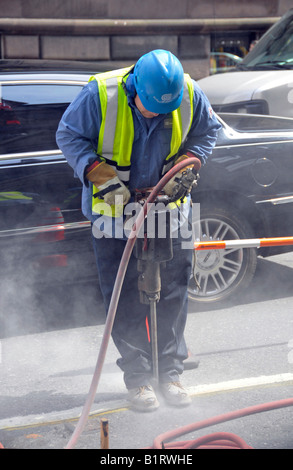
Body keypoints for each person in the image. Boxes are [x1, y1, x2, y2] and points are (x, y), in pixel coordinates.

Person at [56, 49, 221, 412]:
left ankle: (171, 373)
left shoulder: (189, 93)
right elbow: (68, 136)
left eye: (166, 110)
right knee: (125, 300)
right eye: (152, 108)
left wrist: (187, 163)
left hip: (169, 213)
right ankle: (139, 379)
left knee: (174, 294)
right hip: (114, 217)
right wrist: (100, 176)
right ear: (135, 89)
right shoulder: (100, 94)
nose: (160, 115)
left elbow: (209, 133)